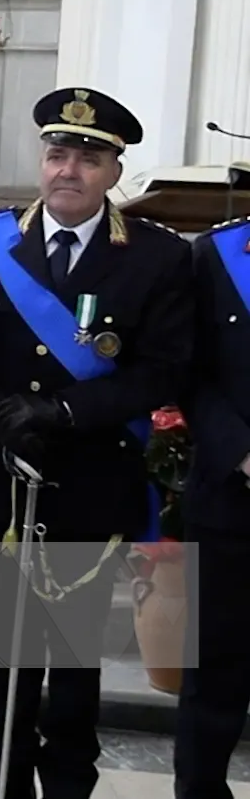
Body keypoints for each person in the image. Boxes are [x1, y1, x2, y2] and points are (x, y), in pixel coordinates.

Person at [0, 89, 191, 799]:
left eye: (89, 157)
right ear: (41, 161)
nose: (69, 171)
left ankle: (70, 780)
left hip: (91, 471)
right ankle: (4, 777)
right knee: (3, 641)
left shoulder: (155, 257)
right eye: (58, 154)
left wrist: (63, 409)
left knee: (76, 645)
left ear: (115, 171)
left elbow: (164, 368)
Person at [180, 196, 250, 797]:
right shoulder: (216, 254)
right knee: (215, 671)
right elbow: (189, 369)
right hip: (233, 495)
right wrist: (242, 451)